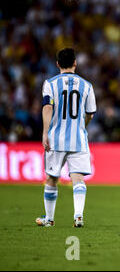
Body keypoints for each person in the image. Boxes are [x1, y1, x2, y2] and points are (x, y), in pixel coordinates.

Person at [35, 48, 96, 228]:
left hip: (56, 139)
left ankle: (50, 219)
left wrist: (45, 132)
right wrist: (81, 127)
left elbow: (47, 108)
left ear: (58, 64)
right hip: (78, 139)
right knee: (78, 178)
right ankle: (78, 216)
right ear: (75, 63)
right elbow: (90, 114)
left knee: (52, 178)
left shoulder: (50, 84)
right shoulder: (87, 86)